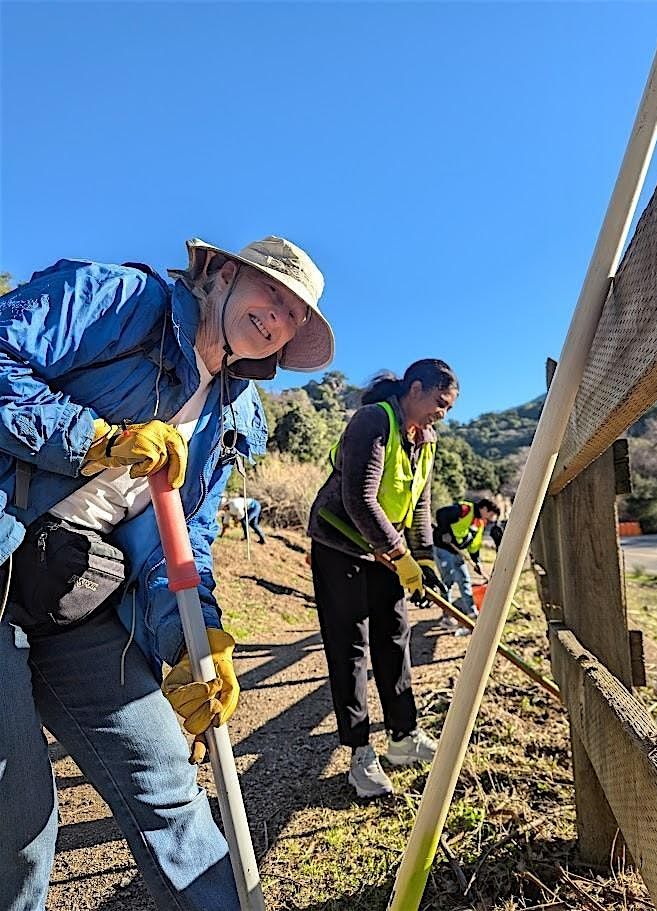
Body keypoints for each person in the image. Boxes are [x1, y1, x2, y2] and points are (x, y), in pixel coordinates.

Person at [0, 235, 333, 911]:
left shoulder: (229, 414)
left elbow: (183, 541)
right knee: (20, 818)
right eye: (274, 292)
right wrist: (94, 437)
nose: (280, 317)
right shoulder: (122, 300)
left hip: (75, 590)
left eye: (297, 315)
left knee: (169, 783)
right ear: (222, 273)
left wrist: (195, 642)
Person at [308, 359, 458, 798]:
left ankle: (403, 736)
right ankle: (359, 752)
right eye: (439, 403)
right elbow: (359, 497)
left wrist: (424, 560)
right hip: (341, 545)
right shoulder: (374, 421)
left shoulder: (426, 441)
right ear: (415, 388)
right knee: (349, 646)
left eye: (448, 408)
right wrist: (399, 553)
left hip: (386, 552)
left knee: (395, 638)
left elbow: (421, 508)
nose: (442, 414)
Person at [433, 498, 501, 635]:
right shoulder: (464, 510)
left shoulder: (480, 523)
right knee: (448, 581)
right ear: (485, 509)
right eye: (492, 514)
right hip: (443, 547)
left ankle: (472, 613)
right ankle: (447, 617)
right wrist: (445, 532)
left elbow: (474, 545)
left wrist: (477, 562)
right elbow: (441, 514)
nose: (492, 519)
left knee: (465, 579)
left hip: (457, 551)